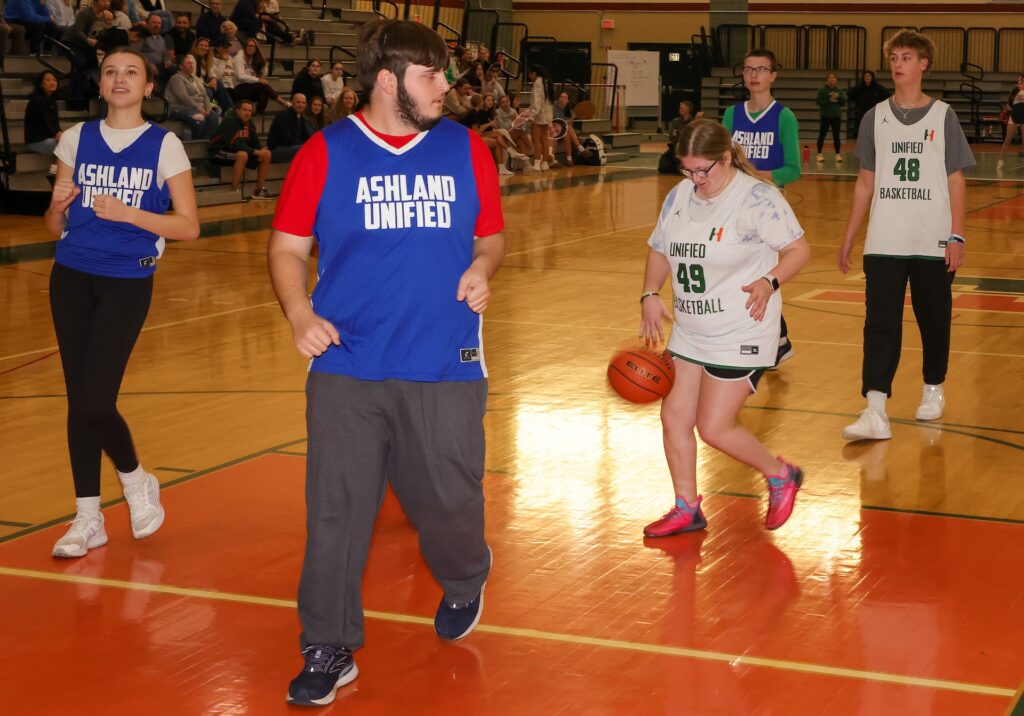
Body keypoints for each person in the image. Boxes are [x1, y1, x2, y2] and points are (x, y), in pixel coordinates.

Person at [267, 18, 505, 707]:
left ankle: (465, 574)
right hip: (347, 359)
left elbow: (490, 238)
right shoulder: (327, 151)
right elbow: (286, 249)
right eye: (432, 76)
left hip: (445, 358)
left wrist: (482, 269)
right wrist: (300, 315)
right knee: (336, 509)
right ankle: (327, 644)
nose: (446, 88)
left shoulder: (465, 149)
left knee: (447, 501)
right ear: (387, 80)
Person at [43, 46, 198, 559]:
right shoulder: (75, 138)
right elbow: (54, 227)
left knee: (94, 399)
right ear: (101, 83)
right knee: (77, 400)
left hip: (127, 281)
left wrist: (131, 214)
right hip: (70, 276)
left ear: (149, 86)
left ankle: (135, 480)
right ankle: (88, 516)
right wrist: (57, 207)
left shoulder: (164, 145)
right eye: (111, 71)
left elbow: (189, 227)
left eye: (132, 72)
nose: (119, 78)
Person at [639, 118, 810, 539]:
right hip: (691, 329)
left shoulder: (757, 198)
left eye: (704, 170)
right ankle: (686, 507)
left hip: (741, 329)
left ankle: (781, 474)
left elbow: (798, 250)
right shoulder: (680, 196)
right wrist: (649, 294)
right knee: (674, 415)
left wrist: (770, 282)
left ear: (726, 157)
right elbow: (660, 249)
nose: (696, 179)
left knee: (713, 427)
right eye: (687, 170)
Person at [837, 30, 974, 441]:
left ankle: (933, 387)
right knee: (879, 324)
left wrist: (957, 235)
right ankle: (875, 408)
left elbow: (956, 181)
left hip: (932, 238)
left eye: (907, 57)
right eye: (894, 57)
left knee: (933, 320)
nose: (898, 64)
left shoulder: (943, 115)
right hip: (885, 240)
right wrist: (849, 236)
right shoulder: (873, 116)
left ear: (923, 64)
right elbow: (865, 182)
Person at [722, 48, 800, 368]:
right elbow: (723, 158)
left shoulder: (784, 116)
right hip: (735, 203)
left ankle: (775, 341)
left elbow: (793, 169)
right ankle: (778, 340)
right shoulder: (731, 114)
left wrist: (759, 175)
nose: (754, 75)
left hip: (768, 207)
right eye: (748, 69)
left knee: (764, 276)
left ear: (773, 76)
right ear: (743, 75)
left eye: (761, 69)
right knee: (736, 274)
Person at [208, 98, 272, 199]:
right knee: (243, 155)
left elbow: (255, 142)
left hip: (238, 152)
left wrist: (261, 150)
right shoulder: (230, 121)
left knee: (266, 154)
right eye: (244, 110)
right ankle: (234, 191)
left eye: (249, 110)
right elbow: (233, 145)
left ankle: (259, 190)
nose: (247, 113)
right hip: (218, 151)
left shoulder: (249, 123)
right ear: (238, 111)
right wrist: (256, 152)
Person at [165, 53, 219, 139]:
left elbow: (204, 95)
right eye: (188, 63)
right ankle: (196, 144)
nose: (191, 65)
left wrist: (208, 108)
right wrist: (199, 108)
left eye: (191, 63)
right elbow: (184, 98)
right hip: (179, 108)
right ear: (181, 67)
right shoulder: (176, 78)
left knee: (214, 117)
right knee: (200, 119)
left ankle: (204, 142)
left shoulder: (195, 78)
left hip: (198, 108)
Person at [231, 36, 288, 112]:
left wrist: (263, 62)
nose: (251, 48)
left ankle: (259, 114)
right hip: (239, 87)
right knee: (263, 85)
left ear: (256, 49)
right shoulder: (239, 57)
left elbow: (264, 74)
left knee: (264, 93)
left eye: (253, 46)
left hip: (251, 87)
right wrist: (258, 79)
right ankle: (282, 102)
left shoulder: (253, 59)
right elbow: (240, 76)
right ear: (245, 46)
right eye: (249, 46)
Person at [24, 69, 62, 182]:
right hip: (36, 141)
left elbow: (55, 123)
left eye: (54, 80)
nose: (52, 82)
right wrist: (57, 133)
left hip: (48, 138)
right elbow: (44, 123)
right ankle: (54, 173)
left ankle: (55, 171)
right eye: (48, 80)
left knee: (68, 140)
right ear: (41, 83)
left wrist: (59, 132)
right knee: (67, 144)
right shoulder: (37, 100)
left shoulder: (52, 101)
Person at [267, 90, 313, 162]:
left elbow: (308, 136)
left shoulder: (302, 117)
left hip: (292, 147)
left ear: (306, 105)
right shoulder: (283, 116)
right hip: (277, 149)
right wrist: (306, 145)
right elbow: (288, 140)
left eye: (303, 103)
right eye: (298, 102)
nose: (301, 105)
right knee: (304, 149)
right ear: (291, 102)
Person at [659, 101, 702, 174]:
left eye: (682, 108)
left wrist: (696, 122)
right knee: (663, 167)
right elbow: (672, 137)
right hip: (675, 148)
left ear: (688, 110)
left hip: (688, 149)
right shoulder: (676, 122)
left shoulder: (694, 122)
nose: (679, 110)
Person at [552, 91, 593, 167]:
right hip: (554, 130)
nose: (562, 99)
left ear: (568, 100)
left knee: (568, 130)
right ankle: (580, 148)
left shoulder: (569, 110)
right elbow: (553, 122)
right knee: (567, 128)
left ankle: (569, 160)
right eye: (561, 97)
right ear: (558, 98)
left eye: (565, 97)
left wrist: (571, 119)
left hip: (563, 132)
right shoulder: (554, 107)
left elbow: (569, 124)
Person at [189, 35, 231, 108]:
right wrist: (207, 85)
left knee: (217, 83)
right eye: (201, 45)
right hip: (193, 86)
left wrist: (214, 79)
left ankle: (227, 109)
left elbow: (213, 73)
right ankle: (225, 109)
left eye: (206, 46)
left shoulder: (207, 59)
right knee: (209, 91)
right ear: (196, 46)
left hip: (203, 85)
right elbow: (192, 77)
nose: (204, 47)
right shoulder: (191, 57)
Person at [525, 64, 553, 172]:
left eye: (530, 74)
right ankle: (545, 163)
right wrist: (528, 110)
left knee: (536, 140)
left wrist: (531, 116)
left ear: (534, 73)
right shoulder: (546, 81)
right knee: (544, 139)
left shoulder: (537, 83)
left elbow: (537, 102)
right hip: (547, 115)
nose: (529, 76)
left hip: (539, 115)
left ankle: (536, 164)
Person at [847, 70, 890, 138]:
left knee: (874, 131)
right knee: (863, 131)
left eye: (869, 76)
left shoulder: (877, 87)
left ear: (872, 77)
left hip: (874, 112)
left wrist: (880, 102)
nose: (867, 77)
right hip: (862, 112)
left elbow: (887, 93)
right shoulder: (860, 87)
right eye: (865, 76)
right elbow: (850, 94)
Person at [815, 71, 846, 162]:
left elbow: (843, 103)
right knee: (822, 135)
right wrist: (830, 99)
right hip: (825, 116)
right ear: (826, 80)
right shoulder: (822, 91)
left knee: (836, 136)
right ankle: (819, 154)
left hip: (836, 116)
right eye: (829, 77)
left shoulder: (839, 91)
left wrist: (838, 98)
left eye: (833, 77)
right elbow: (819, 102)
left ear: (836, 80)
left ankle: (838, 154)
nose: (831, 79)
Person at [997, 75, 1024, 170]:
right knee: (1008, 139)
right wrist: (1007, 112)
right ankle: (1000, 161)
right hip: (1014, 116)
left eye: (1021, 80)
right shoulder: (1014, 91)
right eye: (1018, 80)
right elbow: (1008, 106)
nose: (1019, 81)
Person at [494, 93, 532, 158]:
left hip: (513, 133)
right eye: (503, 102)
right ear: (500, 104)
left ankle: (524, 163)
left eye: (507, 102)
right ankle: (530, 147)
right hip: (503, 134)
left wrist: (521, 121)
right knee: (519, 131)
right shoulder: (497, 112)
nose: (505, 104)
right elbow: (502, 127)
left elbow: (520, 126)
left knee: (520, 142)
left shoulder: (513, 111)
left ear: (509, 102)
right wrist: (512, 120)